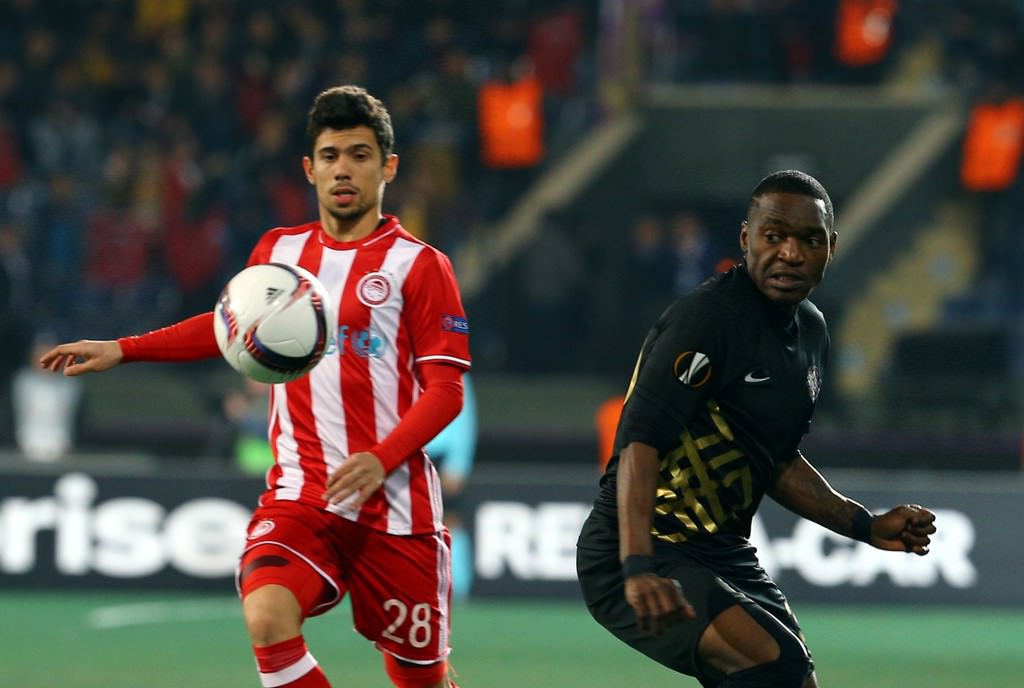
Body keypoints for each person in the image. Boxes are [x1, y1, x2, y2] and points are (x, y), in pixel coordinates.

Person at [40, 85, 470, 688]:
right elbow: (229, 328)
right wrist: (124, 348)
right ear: (309, 168)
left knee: (419, 679)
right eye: (330, 156)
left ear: (388, 167)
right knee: (267, 617)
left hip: (395, 508)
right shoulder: (280, 250)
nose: (343, 170)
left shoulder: (420, 266)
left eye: (360, 155)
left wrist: (381, 458)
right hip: (301, 495)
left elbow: (446, 390)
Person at [575, 170, 936, 688]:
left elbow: (777, 461)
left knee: (794, 680)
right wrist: (637, 565)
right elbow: (641, 443)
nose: (791, 253)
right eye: (774, 236)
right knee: (774, 665)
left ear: (830, 248)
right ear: (747, 239)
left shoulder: (810, 333)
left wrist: (866, 526)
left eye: (809, 240)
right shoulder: (708, 319)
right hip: (641, 547)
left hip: (722, 553)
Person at [424, 372, 477, 601]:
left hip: (442, 454)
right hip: (411, 451)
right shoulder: (404, 363)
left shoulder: (454, 369)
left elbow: (465, 417)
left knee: (450, 519)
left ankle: (458, 584)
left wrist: (458, 462)